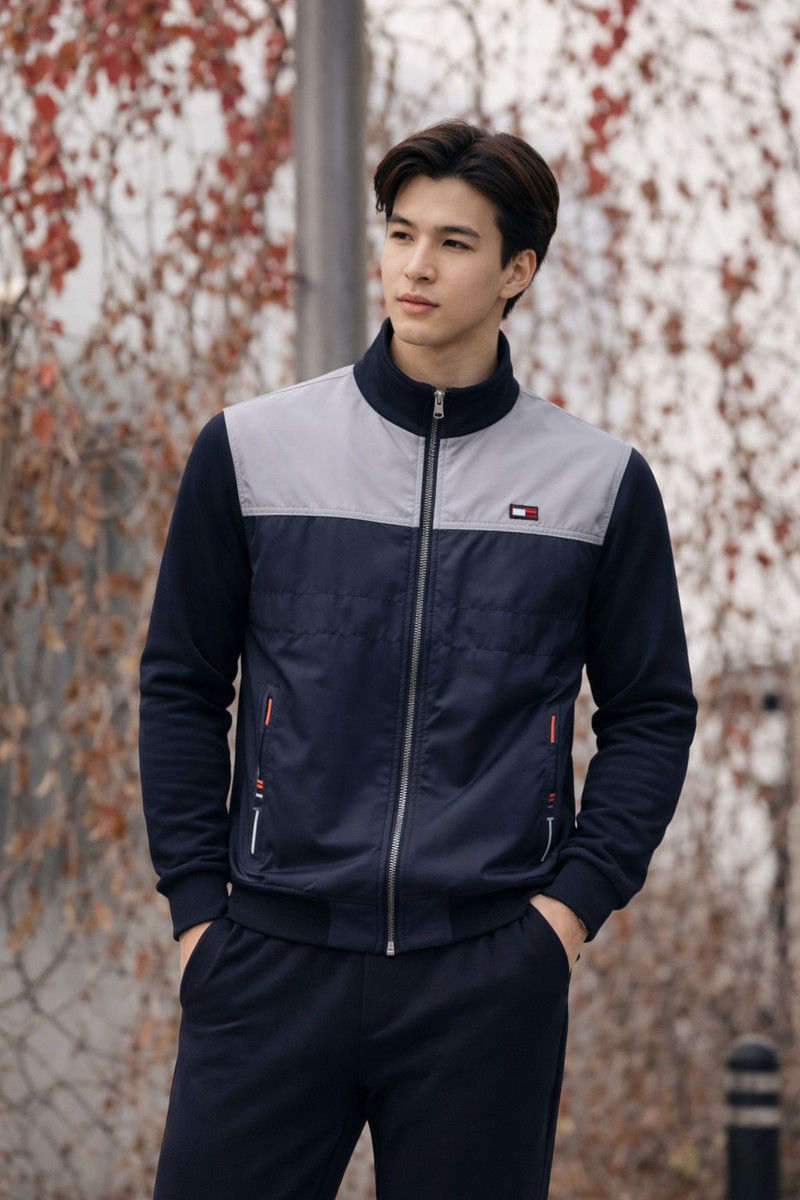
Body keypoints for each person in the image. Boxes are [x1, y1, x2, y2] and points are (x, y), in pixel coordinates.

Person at [139, 120, 697, 1200]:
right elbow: (181, 685)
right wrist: (197, 909)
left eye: (453, 242)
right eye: (401, 234)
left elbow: (651, 713)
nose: (416, 266)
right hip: (266, 959)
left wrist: (566, 916)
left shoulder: (596, 484)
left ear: (516, 270)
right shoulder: (252, 450)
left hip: (486, 974)